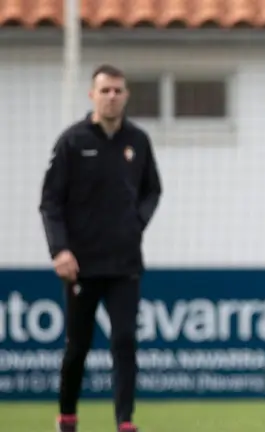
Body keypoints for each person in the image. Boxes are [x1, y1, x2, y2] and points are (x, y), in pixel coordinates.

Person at [39, 64, 162, 432]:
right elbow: (50, 201)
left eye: (117, 90)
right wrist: (59, 250)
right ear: (92, 95)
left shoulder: (138, 141)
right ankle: (67, 416)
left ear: (126, 95)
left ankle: (125, 421)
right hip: (82, 264)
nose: (112, 97)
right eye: (105, 90)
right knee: (78, 346)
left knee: (124, 341)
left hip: (124, 264)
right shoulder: (72, 141)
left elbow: (152, 190)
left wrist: (135, 223)